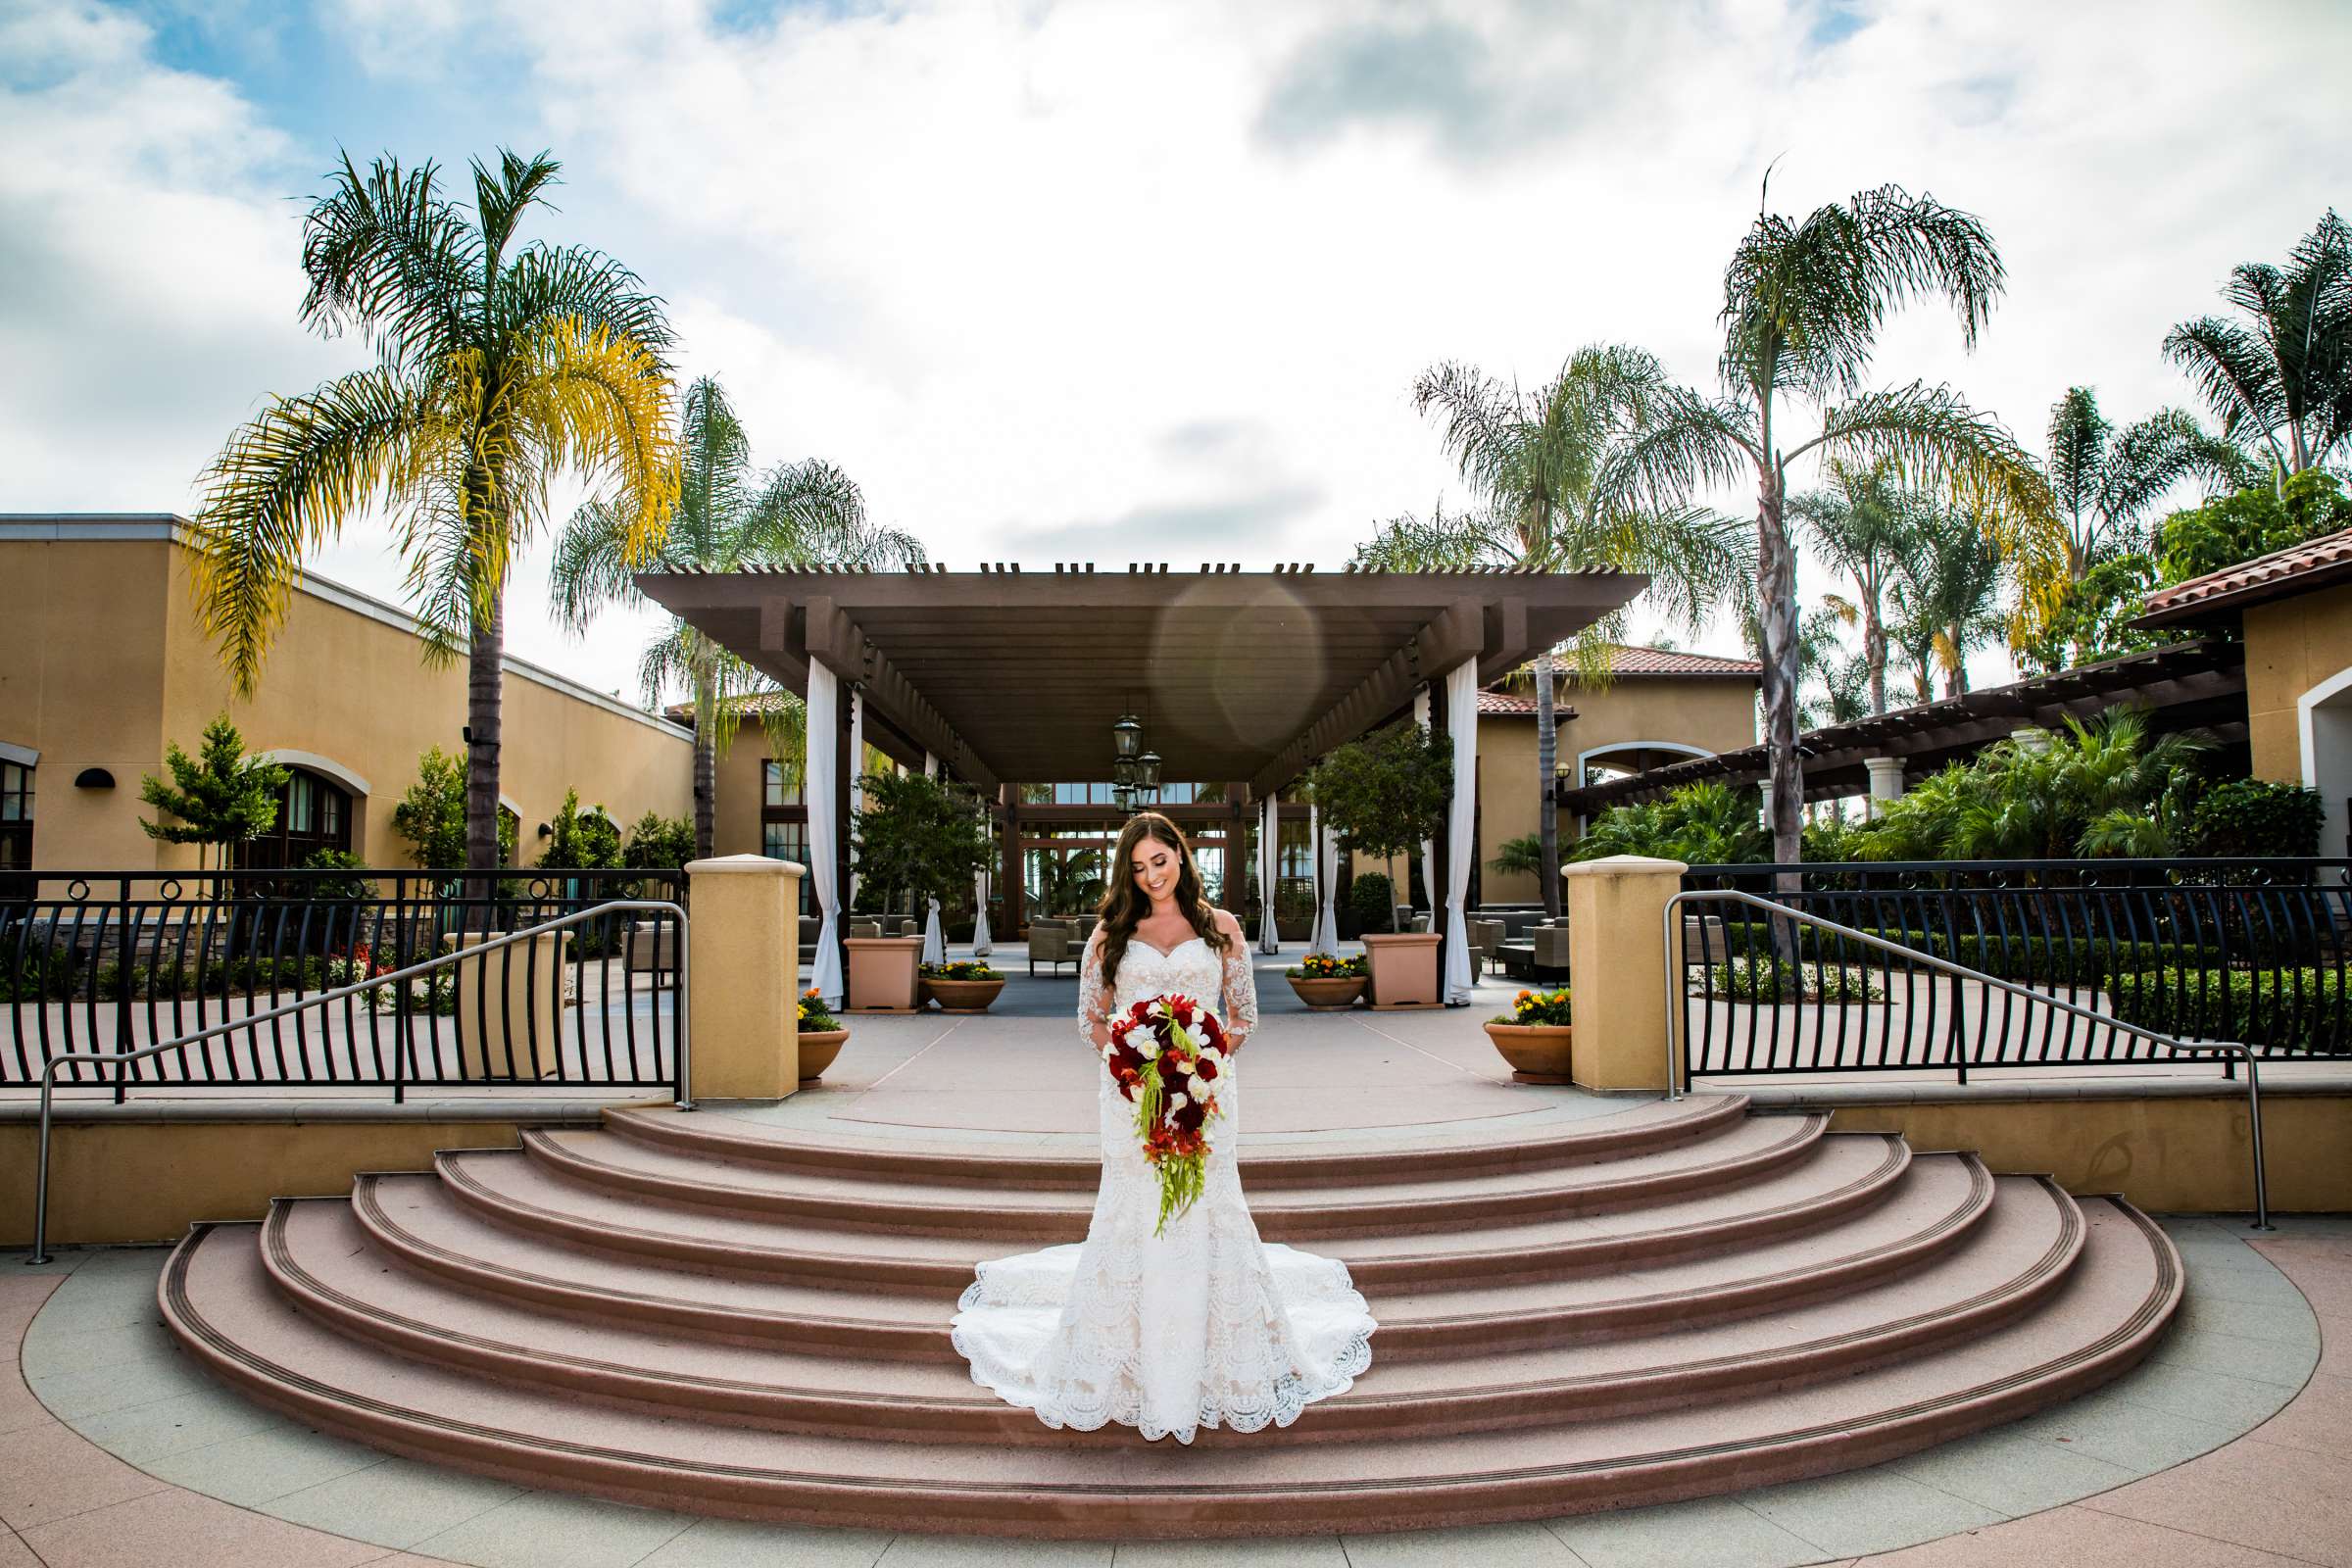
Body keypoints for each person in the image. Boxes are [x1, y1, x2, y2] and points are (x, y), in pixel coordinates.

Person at [951, 811, 1377, 1443]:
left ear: (1182, 855)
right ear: (1127, 872)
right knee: (1136, 1210)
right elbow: (1092, 1020)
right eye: (1139, 866)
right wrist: (1136, 1069)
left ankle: (1226, 1361)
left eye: (1162, 859)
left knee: (1209, 1206)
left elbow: (1243, 1017)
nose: (1153, 875)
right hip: (1130, 1097)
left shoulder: (1223, 927)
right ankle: (1124, 1358)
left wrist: (1199, 1068)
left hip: (1208, 1095)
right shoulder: (1111, 934)